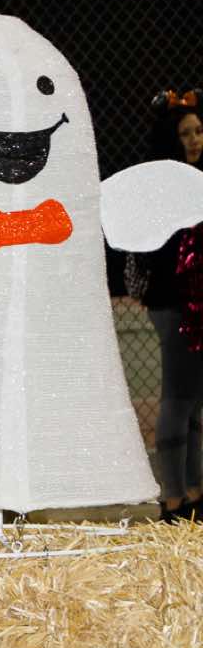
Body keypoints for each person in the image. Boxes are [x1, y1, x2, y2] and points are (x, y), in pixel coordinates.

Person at [138, 94, 203, 521]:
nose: (195, 139)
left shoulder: (197, 181)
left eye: (199, 131)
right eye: (185, 134)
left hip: (196, 304)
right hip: (175, 304)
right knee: (178, 399)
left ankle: (194, 492)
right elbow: (162, 258)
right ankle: (173, 500)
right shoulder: (164, 190)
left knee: (194, 401)